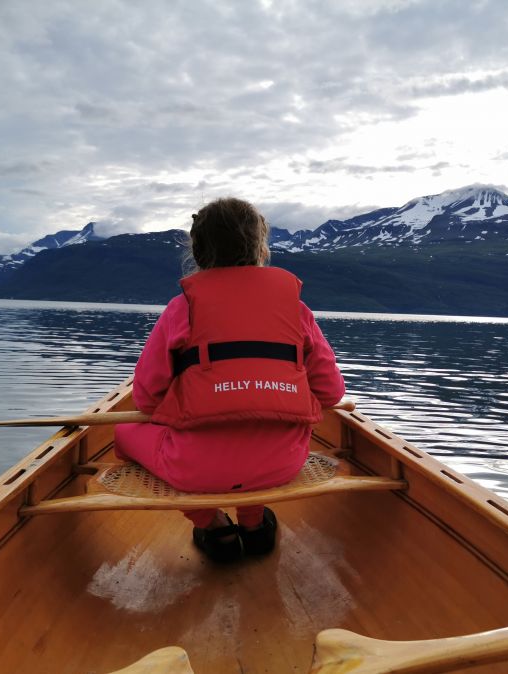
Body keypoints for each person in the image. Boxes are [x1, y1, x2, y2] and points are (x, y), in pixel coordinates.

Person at [114, 197, 345, 563]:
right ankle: (253, 522)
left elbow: (145, 399)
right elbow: (331, 394)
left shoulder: (182, 308)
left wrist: (193, 399)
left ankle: (212, 525)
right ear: (259, 247)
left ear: (198, 250)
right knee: (257, 437)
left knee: (123, 436)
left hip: (194, 470)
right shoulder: (296, 310)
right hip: (284, 464)